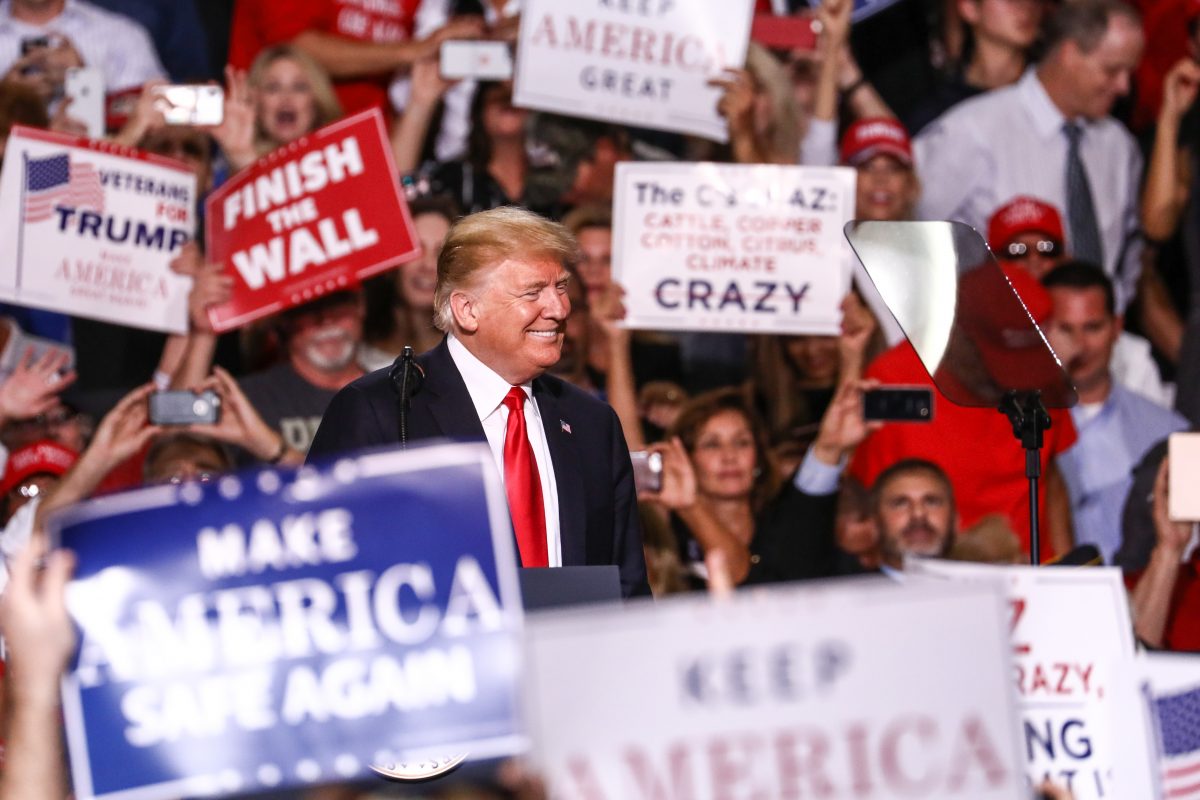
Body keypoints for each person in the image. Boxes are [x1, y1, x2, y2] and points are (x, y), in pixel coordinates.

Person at [308, 206, 650, 598]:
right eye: (533, 292)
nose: (560, 309)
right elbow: (329, 580)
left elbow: (628, 590)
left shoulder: (592, 423)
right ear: (467, 310)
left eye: (560, 287)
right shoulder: (381, 412)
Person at [914, 0, 1145, 313]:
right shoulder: (970, 132)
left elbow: (1129, 256)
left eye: (1129, 72)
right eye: (1111, 70)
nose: (1123, 87)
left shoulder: (1118, 147)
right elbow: (904, 232)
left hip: (1095, 346)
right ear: (1070, 54)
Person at [643, 379, 874, 589]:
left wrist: (831, 445)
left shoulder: (786, 522)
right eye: (712, 445)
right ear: (686, 459)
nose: (729, 456)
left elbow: (821, 470)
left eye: (741, 442)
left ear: (759, 458)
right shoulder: (667, 533)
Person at [1043, 262, 1189, 563]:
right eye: (1064, 329)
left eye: (1092, 327)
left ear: (1117, 328)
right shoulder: (1017, 430)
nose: (1080, 346)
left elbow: (1190, 548)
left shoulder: (1173, 433)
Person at [987, 195, 1174, 407]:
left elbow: (1157, 433)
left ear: (1066, 259)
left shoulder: (1129, 356)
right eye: (1016, 252)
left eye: (1048, 249)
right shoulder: (966, 352)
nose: (1034, 261)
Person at [360, 195, 456, 371]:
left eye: (440, 253)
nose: (427, 265)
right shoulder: (354, 356)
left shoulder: (470, 357)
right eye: (416, 249)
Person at [0, 0, 165, 99]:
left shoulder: (121, 36)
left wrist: (84, 82)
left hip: (97, 157)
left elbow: (156, 126)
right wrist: (7, 100)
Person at [872, 458, 957, 572]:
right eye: (900, 503)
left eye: (932, 502)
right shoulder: (844, 586)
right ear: (875, 521)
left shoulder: (984, 588)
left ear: (956, 519)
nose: (918, 514)